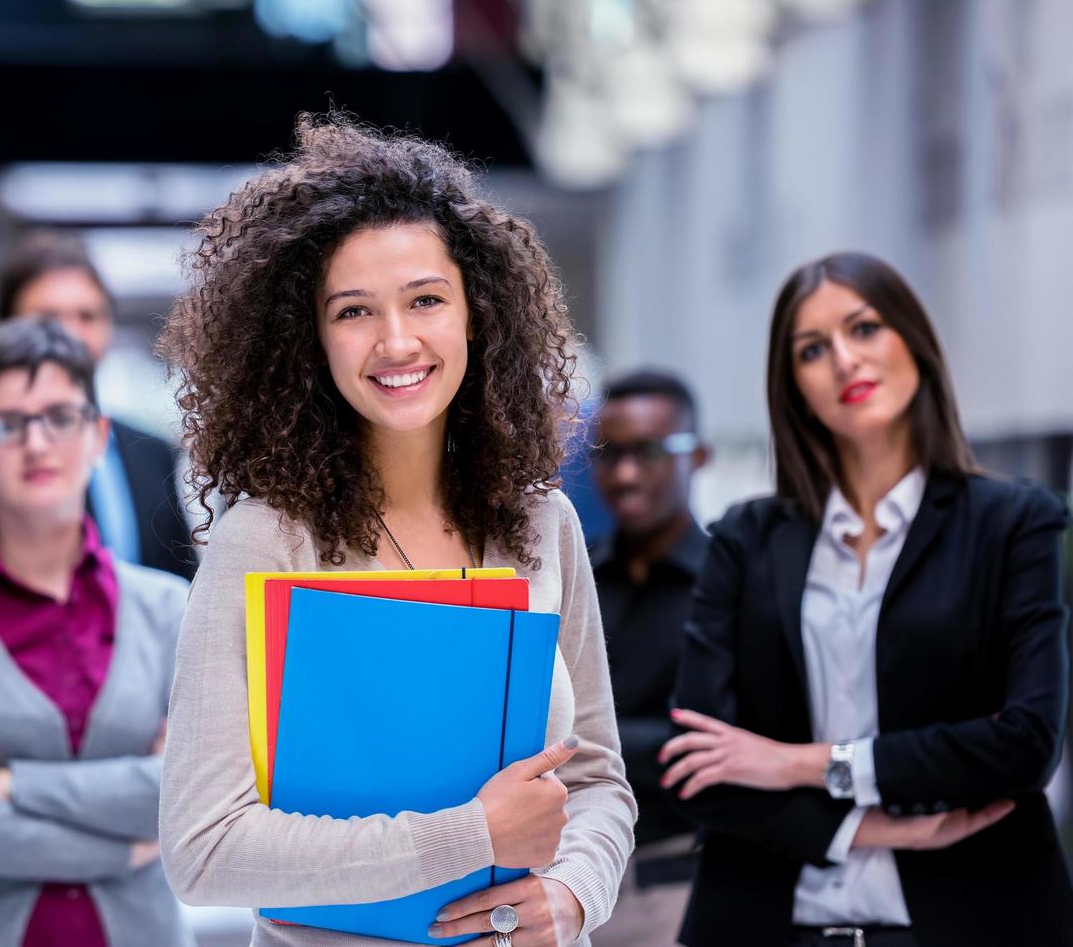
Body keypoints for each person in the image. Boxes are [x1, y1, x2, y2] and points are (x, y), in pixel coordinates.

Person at [155, 113, 636, 947]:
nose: (396, 340)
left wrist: (575, 894)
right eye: (352, 311)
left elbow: (595, 777)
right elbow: (202, 850)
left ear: (475, 315)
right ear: (309, 338)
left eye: (425, 299)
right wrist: (472, 836)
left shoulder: (540, 523)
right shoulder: (266, 542)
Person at [659, 251, 1073, 946]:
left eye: (864, 328)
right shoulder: (746, 539)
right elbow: (699, 763)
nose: (844, 361)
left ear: (912, 341)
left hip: (970, 923)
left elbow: (1025, 744)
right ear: (793, 385)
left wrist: (797, 762)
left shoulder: (1013, 523)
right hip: (770, 926)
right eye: (812, 350)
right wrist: (872, 826)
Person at [0, 317, 193, 947]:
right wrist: (126, 844)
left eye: (60, 417)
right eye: (8, 424)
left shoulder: (169, 610)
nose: (37, 443)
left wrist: (15, 784)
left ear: (99, 435)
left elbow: (188, 794)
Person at [0, 232, 196, 579]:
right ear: (4, 326)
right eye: (48, 317)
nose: (71, 334)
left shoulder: (152, 455)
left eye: (87, 316)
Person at [587, 370, 709, 947]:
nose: (626, 474)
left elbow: (709, 748)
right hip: (569, 869)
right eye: (610, 454)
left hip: (674, 880)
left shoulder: (728, 585)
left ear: (698, 455)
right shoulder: (576, 573)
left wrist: (574, 745)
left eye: (649, 452)